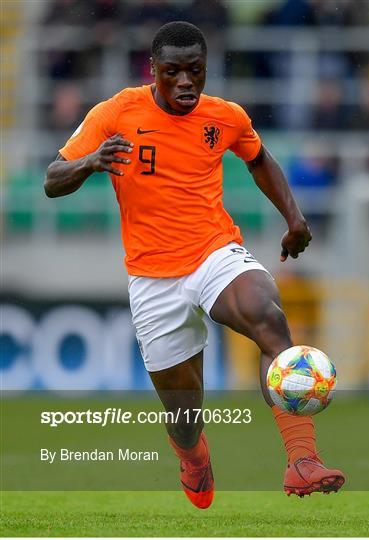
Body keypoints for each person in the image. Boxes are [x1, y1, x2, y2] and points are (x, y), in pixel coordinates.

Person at [44, 21, 345, 509]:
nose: (186, 82)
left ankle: (302, 460)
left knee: (269, 318)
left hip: (214, 253)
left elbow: (259, 157)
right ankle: (193, 456)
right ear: (154, 72)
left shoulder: (224, 117)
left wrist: (295, 218)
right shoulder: (117, 112)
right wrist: (89, 162)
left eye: (196, 72)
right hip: (152, 278)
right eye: (173, 73)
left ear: (205, 70)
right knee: (184, 414)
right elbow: (52, 180)